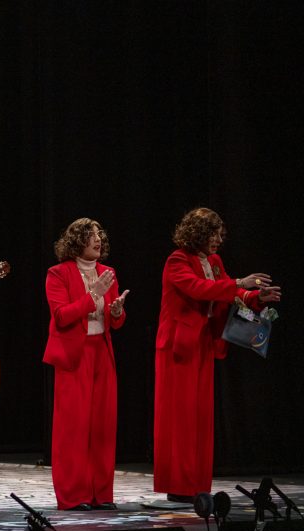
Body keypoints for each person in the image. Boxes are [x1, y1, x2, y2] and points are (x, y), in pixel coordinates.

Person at [154, 207, 281, 502]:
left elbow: (229, 292)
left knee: (201, 417)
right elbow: (199, 289)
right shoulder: (177, 260)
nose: (218, 240)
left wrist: (256, 297)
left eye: (220, 234)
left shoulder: (214, 261)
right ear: (198, 233)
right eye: (213, 234)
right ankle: (179, 486)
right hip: (179, 346)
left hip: (204, 343)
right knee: (182, 417)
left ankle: (198, 484)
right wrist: (239, 283)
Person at [43, 219, 129, 511]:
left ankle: (101, 494)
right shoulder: (58, 273)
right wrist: (94, 295)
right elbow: (62, 316)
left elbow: (116, 322)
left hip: (101, 353)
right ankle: (73, 495)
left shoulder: (107, 272)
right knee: (73, 427)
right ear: (77, 241)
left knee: (103, 426)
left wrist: (116, 312)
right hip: (74, 356)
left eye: (99, 235)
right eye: (91, 235)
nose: (98, 240)